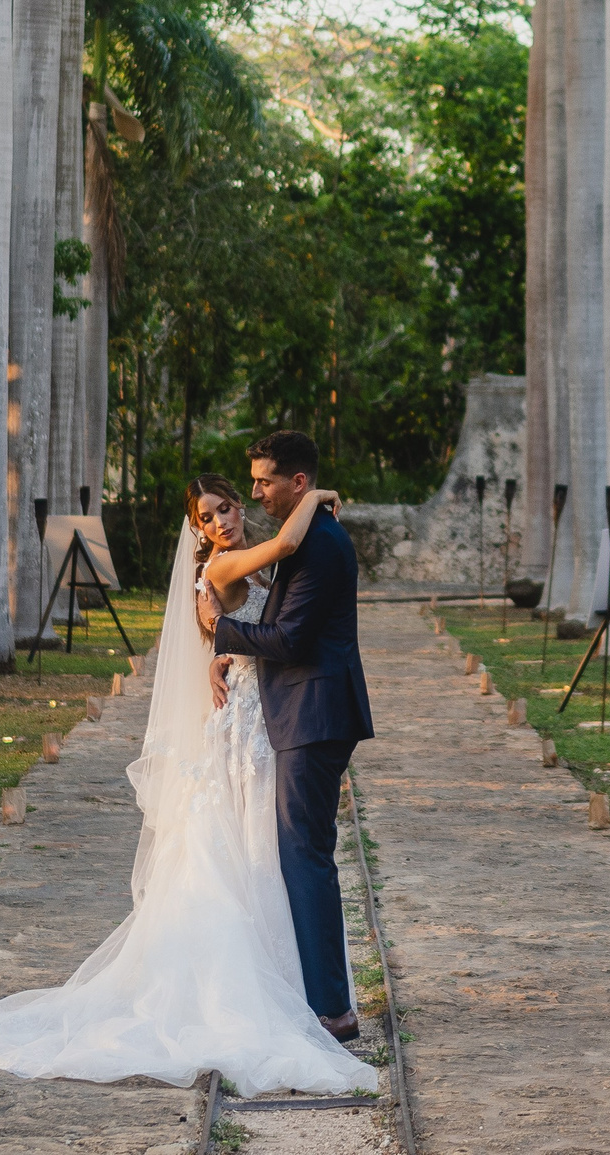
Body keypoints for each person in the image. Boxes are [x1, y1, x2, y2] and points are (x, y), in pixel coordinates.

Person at [0, 471, 375, 1097]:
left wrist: (226, 654)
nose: (224, 520)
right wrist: (314, 497)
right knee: (254, 850)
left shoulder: (252, 563)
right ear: (198, 530)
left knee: (276, 851)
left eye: (228, 507)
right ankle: (265, 994)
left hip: (269, 715)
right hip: (249, 727)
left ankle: (298, 987)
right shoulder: (225, 569)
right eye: (210, 517)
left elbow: (262, 616)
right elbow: (280, 551)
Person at [197, 429, 375, 1043]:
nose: (253, 492)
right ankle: (319, 994)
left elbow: (293, 641)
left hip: (312, 711)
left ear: (295, 482)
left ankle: (332, 1009)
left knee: (305, 857)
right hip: (299, 710)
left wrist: (223, 634)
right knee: (303, 854)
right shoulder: (307, 535)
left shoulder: (318, 544)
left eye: (263, 481)